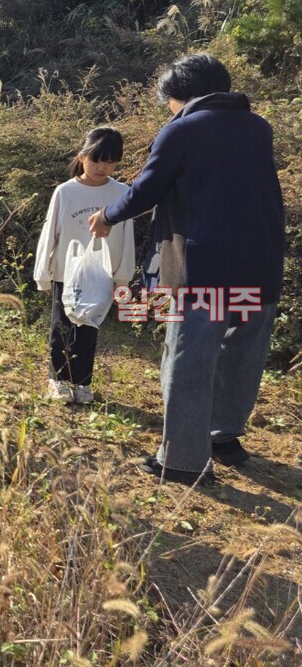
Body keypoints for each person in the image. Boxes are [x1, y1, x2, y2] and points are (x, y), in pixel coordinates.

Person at [88, 53, 285, 485]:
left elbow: (146, 190)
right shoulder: (258, 127)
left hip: (203, 270)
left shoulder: (182, 130)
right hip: (260, 264)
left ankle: (181, 461)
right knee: (241, 356)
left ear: (180, 95)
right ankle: (222, 437)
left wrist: (106, 216)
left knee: (189, 358)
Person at [33, 126, 136, 404]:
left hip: (99, 277)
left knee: (89, 330)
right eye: (96, 159)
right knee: (61, 328)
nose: (102, 167)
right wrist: (43, 275)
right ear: (82, 157)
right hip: (65, 272)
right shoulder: (65, 192)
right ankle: (58, 381)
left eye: (110, 161)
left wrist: (122, 278)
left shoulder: (122, 192)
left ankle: (82, 383)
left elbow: (127, 237)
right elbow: (50, 232)